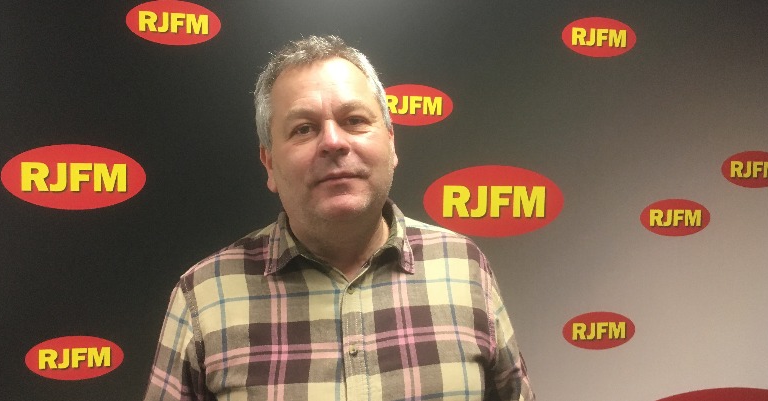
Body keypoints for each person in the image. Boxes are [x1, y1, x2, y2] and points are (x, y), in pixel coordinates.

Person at [144, 35, 535, 401]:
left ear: (391, 143)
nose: (333, 142)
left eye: (354, 120)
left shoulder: (464, 267)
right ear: (269, 163)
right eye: (304, 128)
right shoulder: (204, 296)